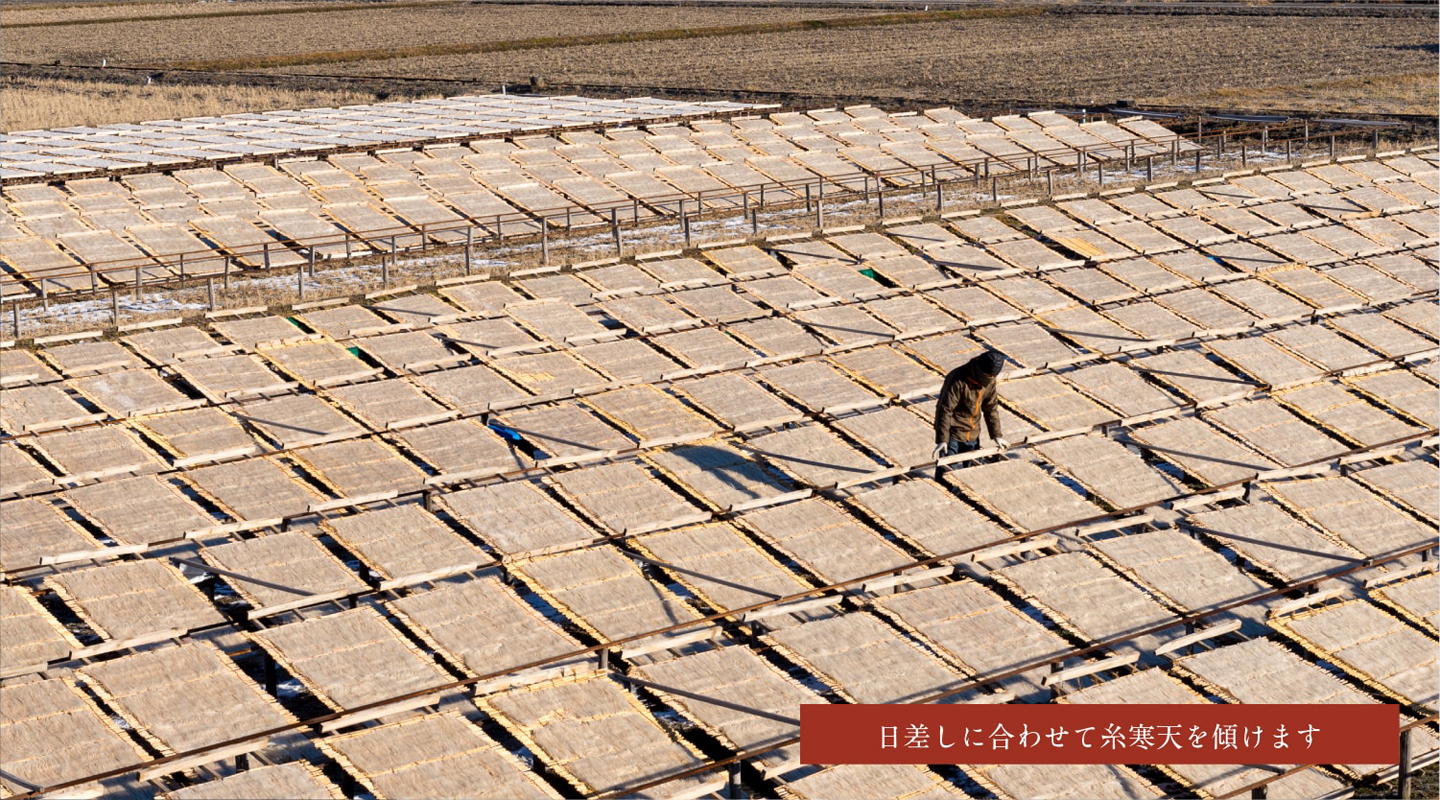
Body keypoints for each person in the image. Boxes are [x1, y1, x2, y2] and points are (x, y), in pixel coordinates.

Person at [931, 349, 1009, 464]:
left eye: (992, 376)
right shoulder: (957, 380)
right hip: (953, 435)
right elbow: (945, 410)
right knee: (949, 474)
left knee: (970, 471)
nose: (990, 378)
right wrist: (942, 440)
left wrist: (996, 435)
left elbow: (991, 408)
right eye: (988, 375)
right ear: (981, 370)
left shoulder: (989, 381)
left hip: (973, 434)